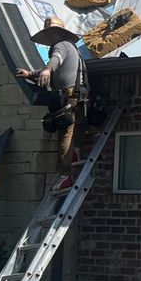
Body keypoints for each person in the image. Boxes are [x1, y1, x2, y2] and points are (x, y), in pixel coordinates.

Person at [18, 15, 86, 191]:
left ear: (57, 33)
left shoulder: (61, 45)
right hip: (75, 94)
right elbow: (53, 69)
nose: (49, 38)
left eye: (51, 33)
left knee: (65, 133)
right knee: (71, 128)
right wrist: (31, 74)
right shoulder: (69, 46)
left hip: (69, 95)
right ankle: (73, 154)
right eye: (48, 35)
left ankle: (66, 175)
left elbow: (56, 60)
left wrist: (48, 69)